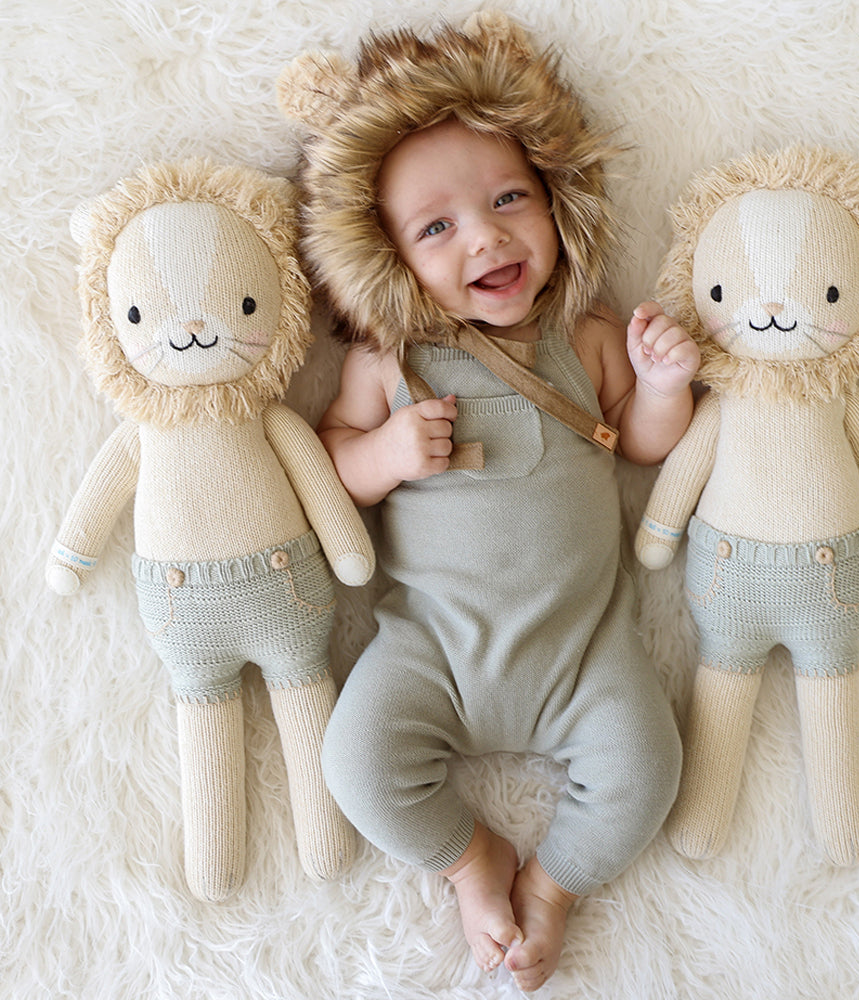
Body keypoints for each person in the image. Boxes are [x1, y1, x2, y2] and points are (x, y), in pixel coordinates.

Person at [278, 14, 700, 992]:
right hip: (432, 647)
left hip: (583, 648)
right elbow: (330, 465)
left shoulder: (583, 334)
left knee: (647, 770)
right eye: (437, 227)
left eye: (511, 196)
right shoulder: (390, 359)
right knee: (358, 766)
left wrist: (662, 383)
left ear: (557, 199)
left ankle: (549, 886)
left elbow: (638, 442)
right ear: (386, 259)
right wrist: (382, 452)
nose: (488, 234)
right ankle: (475, 863)